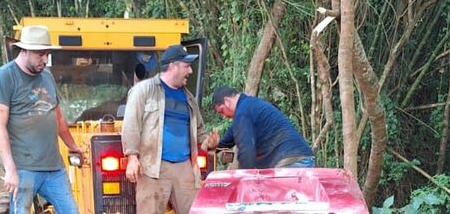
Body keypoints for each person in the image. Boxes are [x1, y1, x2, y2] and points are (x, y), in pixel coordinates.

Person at [0, 25, 81, 214]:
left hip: (54, 167)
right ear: (25, 50)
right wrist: (10, 169)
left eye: (47, 54)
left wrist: (72, 146)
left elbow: (58, 117)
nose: (45, 60)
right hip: (23, 168)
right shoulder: (4, 77)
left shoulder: (46, 76)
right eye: (40, 55)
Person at [121, 44, 209, 214]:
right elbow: (131, 124)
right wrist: (132, 157)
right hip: (153, 166)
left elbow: (199, 131)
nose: (190, 71)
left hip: (184, 167)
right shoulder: (143, 90)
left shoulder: (189, 98)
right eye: (186, 66)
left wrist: (209, 142)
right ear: (172, 66)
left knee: (194, 211)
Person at [206, 86, 315, 169]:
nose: (224, 116)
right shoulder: (248, 107)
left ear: (227, 101)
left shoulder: (243, 113)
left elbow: (246, 152)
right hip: (303, 159)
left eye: (222, 111)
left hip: (291, 163)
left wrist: (246, 180)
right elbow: (229, 138)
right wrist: (214, 146)